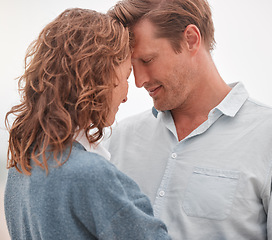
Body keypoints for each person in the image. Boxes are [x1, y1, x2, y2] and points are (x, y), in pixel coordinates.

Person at [106, 0, 272, 239]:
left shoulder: (269, 137)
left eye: (147, 60)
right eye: (132, 66)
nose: (139, 81)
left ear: (191, 39)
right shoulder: (118, 139)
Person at [4, 8, 171, 240]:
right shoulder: (89, 174)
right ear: (97, 77)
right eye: (124, 77)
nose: (125, 95)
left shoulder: (22, 166)